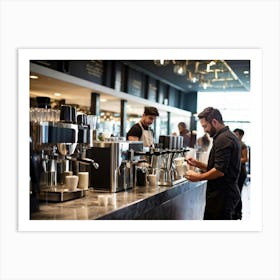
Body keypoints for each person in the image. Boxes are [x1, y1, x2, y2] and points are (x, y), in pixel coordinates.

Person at [185, 107, 241, 220]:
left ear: (214, 122)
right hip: (223, 194)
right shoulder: (226, 137)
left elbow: (219, 171)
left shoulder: (223, 139)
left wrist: (199, 177)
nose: (205, 130)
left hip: (222, 196)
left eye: (205, 126)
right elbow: (221, 167)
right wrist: (198, 164)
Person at [233, 128, 248, 220]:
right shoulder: (234, 144)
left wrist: (234, 161)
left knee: (238, 191)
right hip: (235, 171)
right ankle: (234, 211)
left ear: (241, 136)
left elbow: (245, 159)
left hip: (241, 172)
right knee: (235, 191)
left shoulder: (243, 145)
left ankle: (238, 212)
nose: (234, 135)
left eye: (236, 134)